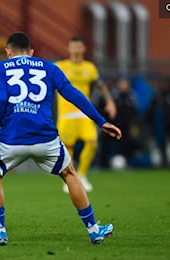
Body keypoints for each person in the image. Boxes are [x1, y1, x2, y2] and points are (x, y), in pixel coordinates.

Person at [0, 32, 122, 246]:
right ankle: (93, 230)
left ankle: (0, 232)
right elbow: (72, 93)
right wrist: (101, 121)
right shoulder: (49, 67)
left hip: (12, 138)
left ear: (8, 52)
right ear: (32, 52)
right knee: (69, 173)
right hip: (46, 138)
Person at [56, 36, 117, 193]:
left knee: (92, 142)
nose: (76, 50)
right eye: (73, 47)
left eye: (79, 47)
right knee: (67, 148)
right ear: (69, 49)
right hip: (66, 115)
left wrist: (109, 101)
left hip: (84, 114)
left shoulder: (89, 68)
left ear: (83, 49)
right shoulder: (60, 66)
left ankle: (82, 175)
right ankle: (69, 179)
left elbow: (101, 85)